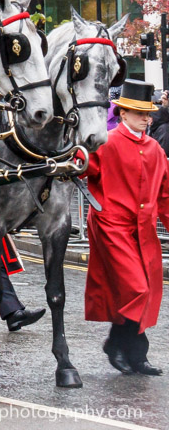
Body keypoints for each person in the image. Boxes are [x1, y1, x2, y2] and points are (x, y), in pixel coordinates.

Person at [83, 79, 169, 376]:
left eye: (148, 113)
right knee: (137, 288)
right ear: (122, 113)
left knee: (140, 292)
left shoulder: (155, 149)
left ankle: (134, 354)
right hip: (112, 226)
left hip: (143, 232)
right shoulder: (106, 141)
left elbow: (165, 196)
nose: (147, 118)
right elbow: (84, 169)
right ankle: (118, 343)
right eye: (140, 113)